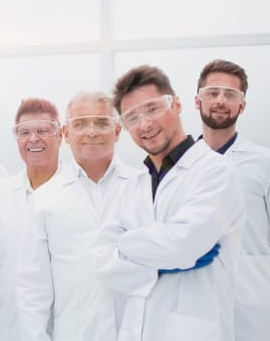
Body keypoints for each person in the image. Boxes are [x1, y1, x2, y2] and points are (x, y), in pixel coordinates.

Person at [93, 65, 244, 341]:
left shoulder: (216, 171)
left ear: (176, 104)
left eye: (152, 108)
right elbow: (101, 260)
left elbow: (183, 244)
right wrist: (161, 262)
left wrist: (125, 245)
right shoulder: (131, 186)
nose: (145, 124)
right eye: (132, 118)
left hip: (195, 331)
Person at [15, 92, 138, 340]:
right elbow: (32, 287)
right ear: (66, 134)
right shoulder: (44, 199)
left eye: (101, 123)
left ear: (116, 132)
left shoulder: (142, 188)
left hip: (137, 329)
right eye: (80, 124)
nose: (91, 131)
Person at [195, 59, 270, 341]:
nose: (220, 100)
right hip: (194, 303)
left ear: (242, 105)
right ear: (197, 100)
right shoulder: (176, 167)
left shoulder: (263, 163)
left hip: (252, 307)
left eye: (230, 94)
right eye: (212, 92)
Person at [0, 98, 64, 341]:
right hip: (10, 331)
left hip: (66, 328)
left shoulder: (79, 193)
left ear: (60, 135)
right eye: (24, 132)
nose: (33, 139)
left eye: (43, 131)